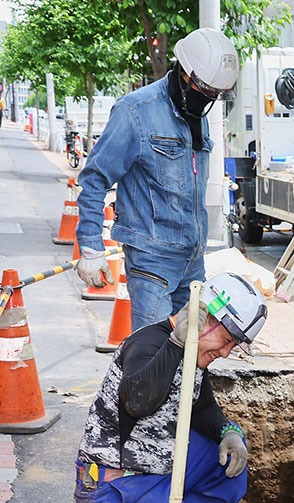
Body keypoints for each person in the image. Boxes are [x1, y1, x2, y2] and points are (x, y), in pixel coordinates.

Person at [74, 273, 267, 503]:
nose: (227, 353)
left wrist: (229, 432)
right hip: (116, 488)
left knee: (229, 458)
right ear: (205, 318)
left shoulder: (195, 357)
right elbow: (136, 400)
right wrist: (177, 343)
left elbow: (202, 408)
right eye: (228, 340)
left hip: (155, 472)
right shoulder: (148, 344)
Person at [74, 28, 239, 330]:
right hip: (153, 263)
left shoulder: (197, 116)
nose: (209, 99)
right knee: (153, 355)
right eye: (206, 91)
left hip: (192, 261)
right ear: (184, 74)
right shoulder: (136, 111)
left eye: (216, 95)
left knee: (190, 354)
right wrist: (90, 245)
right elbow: (94, 177)